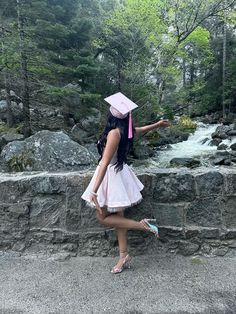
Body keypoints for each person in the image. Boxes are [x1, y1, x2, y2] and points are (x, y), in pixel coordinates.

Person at [81, 92, 170, 274]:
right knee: (119, 219)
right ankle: (123, 256)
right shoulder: (126, 132)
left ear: (110, 115)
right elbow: (141, 130)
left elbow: (105, 162)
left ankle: (144, 225)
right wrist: (158, 125)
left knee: (103, 217)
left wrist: (95, 191)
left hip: (110, 176)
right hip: (119, 175)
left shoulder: (114, 133)